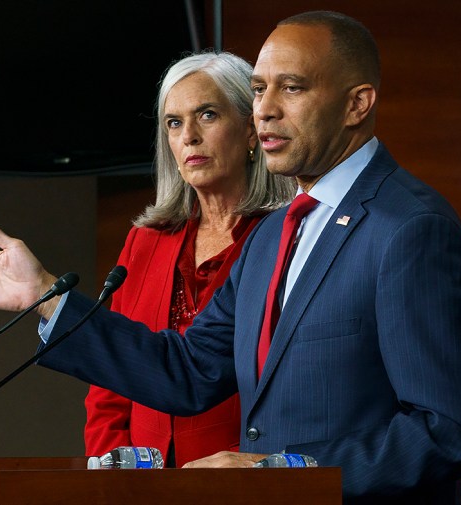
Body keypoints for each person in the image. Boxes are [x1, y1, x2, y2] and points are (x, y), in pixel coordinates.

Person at [0, 10, 461, 504]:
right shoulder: (278, 234)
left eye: (292, 88)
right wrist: (46, 298)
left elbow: (452, 429)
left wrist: (283, 471)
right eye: (258, 89)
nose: (265, 111)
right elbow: (188, 370)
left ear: (358, 104)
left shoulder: (410, 229)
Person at [82, 51, 295, 467]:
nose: (188, 137)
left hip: (244, 480)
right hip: (144, 487)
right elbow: (109, 385)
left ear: (251, 130)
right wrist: (112, 471)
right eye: (174, 123)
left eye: (208, 115)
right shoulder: (145, 241)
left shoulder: (285, 236)